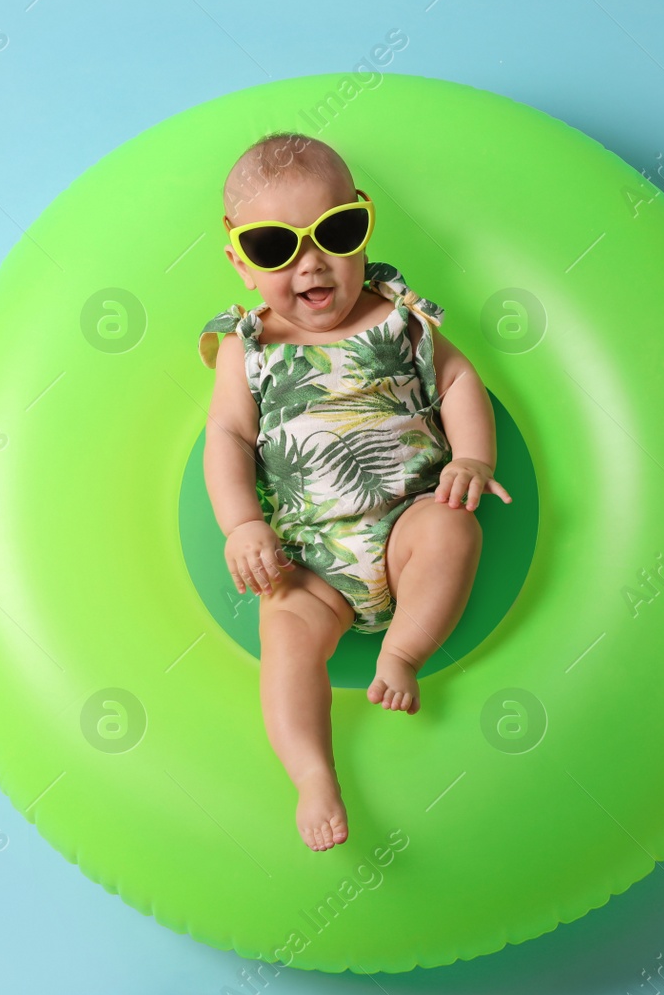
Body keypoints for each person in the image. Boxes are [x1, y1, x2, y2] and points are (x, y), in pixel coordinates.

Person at [197, 132, 511, 852]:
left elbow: (460, 381)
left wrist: (471, 458)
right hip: (309, 561)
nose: (311, 263)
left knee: (453, 530)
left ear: (364, 223)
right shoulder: (248, 347)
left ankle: (402, 649)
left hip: (408, 521)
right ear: (240, 259)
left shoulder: (400, 317)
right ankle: (311, 772)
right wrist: (243, 525)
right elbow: (228, 440)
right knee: (286, 631)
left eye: (336, 233)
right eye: (277, 247)